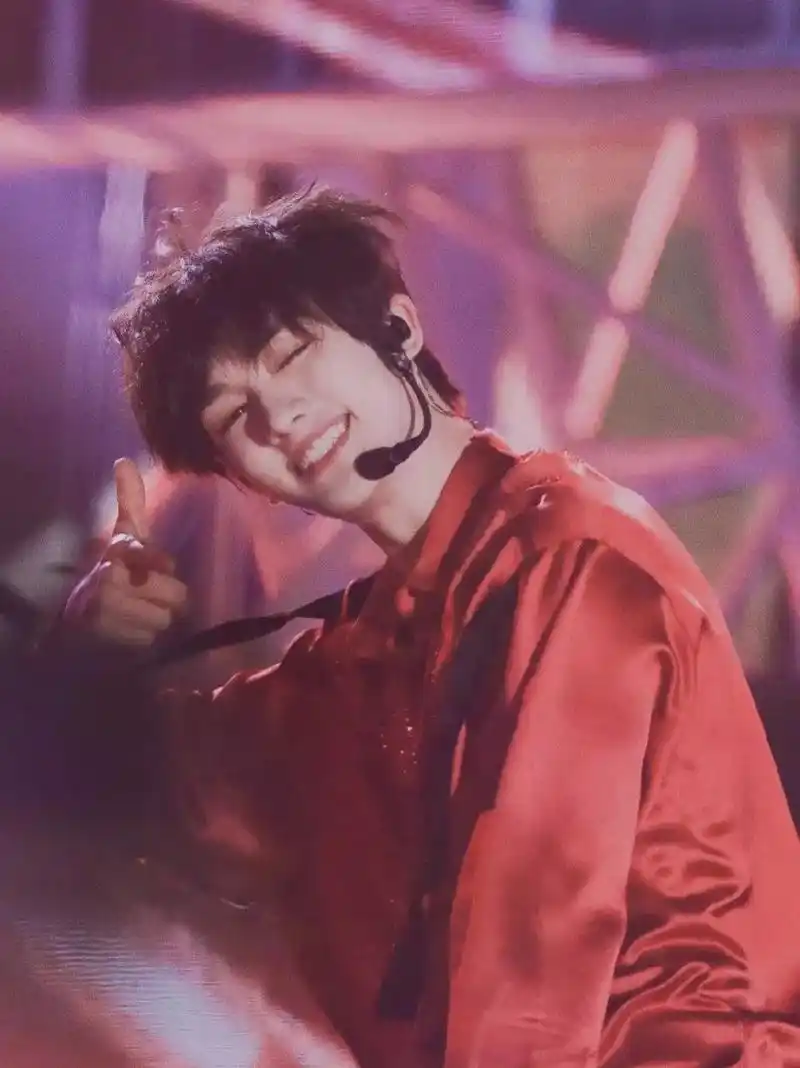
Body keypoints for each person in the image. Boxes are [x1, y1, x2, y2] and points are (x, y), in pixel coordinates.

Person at [57, 187, 800, 1068]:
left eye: (291, 354)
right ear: (245, 480)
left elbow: (535, 955)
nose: (278, 417)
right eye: (232, 417)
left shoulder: (570, 557)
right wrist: (86, 655)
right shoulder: (361, 660)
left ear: (398, 328)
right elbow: (135, 793)